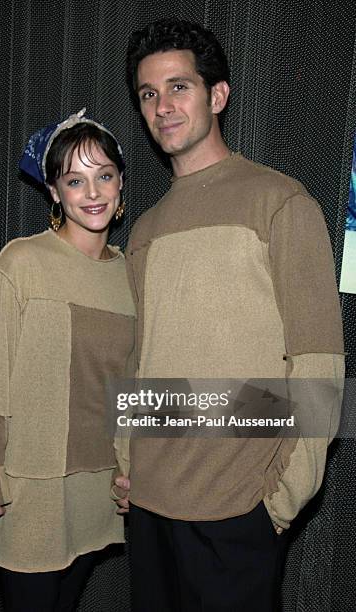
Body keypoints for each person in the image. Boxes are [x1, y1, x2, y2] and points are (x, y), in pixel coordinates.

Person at [114, 18, 345, 611]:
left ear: (217, 95)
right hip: (147, 507)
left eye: (178, 87)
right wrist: (125, 461)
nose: (162, 106)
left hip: (239, 513)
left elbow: (317, 363)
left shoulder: (280, 202)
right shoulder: (144, 228)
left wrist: (280, 500)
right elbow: (139, 359)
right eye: (148, 93)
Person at [0, 109, 135, 612]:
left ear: (121, 183)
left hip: (98, 489)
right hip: (28, 487)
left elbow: (130, 384)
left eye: (104, 176)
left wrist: (134, 471)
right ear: (54, 192)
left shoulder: (131, 275)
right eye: (75, 180)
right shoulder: (22, 261)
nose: (94, 192)